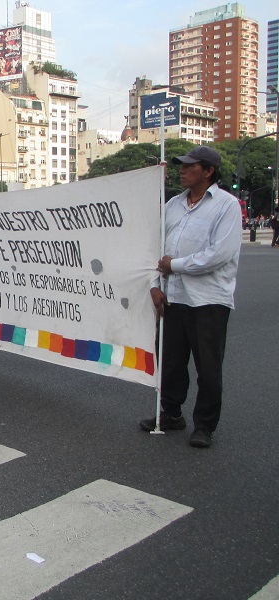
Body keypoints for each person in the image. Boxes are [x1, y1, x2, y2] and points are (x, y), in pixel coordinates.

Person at [139, 146, 241, 449]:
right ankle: (170, 413)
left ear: (208, 171)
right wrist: (156, 283)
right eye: (181, 166)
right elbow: (156, 246)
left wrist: (175, 266)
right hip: (174, 296)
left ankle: (205, 425)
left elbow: (219, 254)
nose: (182, 170)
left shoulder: (226, 205)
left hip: (208, 299)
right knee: (170, 361)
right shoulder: (174, 204)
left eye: (189, 166)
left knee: (208, 367)